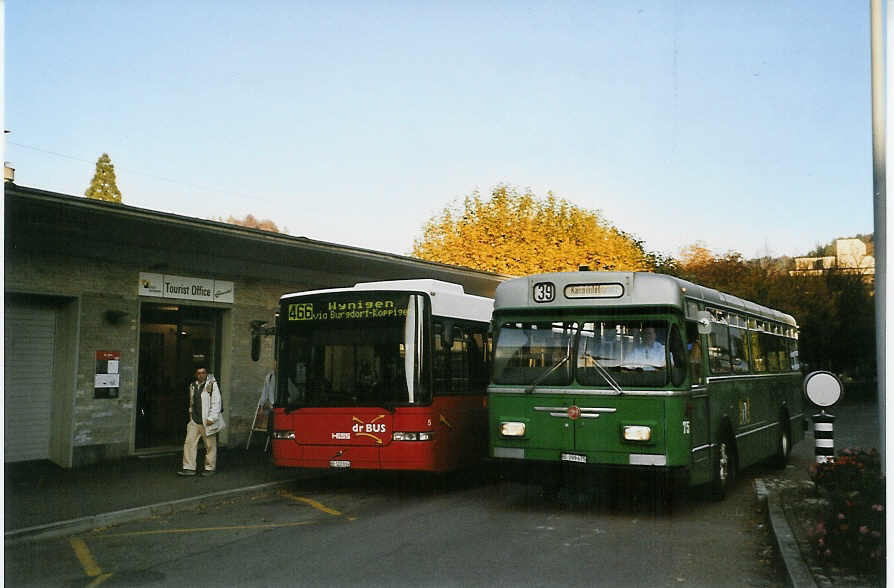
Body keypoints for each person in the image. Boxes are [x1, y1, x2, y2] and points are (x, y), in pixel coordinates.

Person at [178, 367, 225, 476]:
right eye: (198, 373)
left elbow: (216, 402)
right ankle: (189, 467)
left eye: (203, 373)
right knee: (189, 443)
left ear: (206, 374)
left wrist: (211, 418)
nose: (201, 375)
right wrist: (190, 415)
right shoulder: (193, 386)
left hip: (207, 421)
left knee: (210, 445)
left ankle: (210, 468)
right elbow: (192, 402)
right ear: (196, 374)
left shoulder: (212, 384)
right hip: (195, 420)